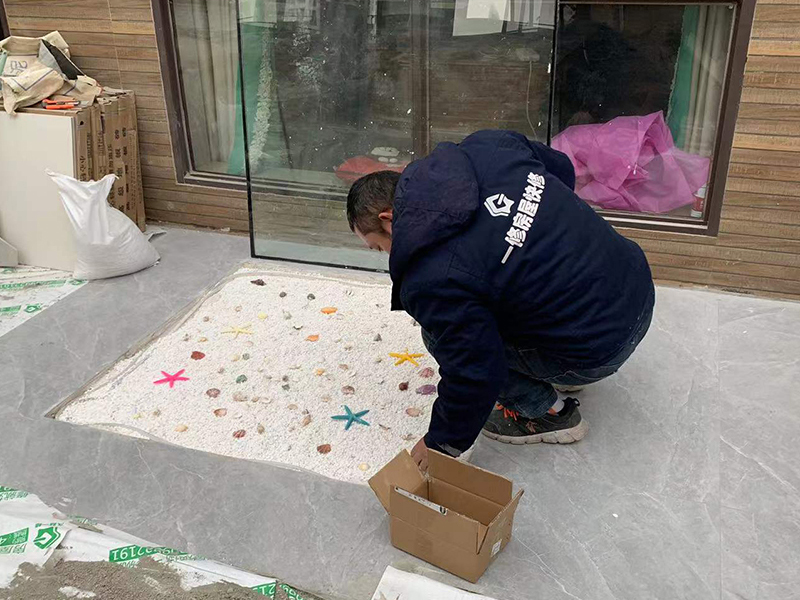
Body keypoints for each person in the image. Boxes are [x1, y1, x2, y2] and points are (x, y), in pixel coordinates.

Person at [346, 130, 655, 471]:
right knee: (491, 293)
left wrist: (442, 442)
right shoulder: (487, 147)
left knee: (437, 335)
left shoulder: (430, 277)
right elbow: (560, 168)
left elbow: (475, 369)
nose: (387, 256)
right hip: (637, 287)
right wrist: (541, 236)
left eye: (379, 247)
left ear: (388, 220)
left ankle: (549, 413)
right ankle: (564, 362)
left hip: (600, 350)